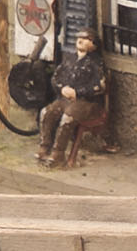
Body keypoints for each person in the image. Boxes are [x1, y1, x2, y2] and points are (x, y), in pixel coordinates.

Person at [36, 27, 108, 167]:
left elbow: (100, 86)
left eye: (86, 39)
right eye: (79, 38)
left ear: (93, 45)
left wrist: (78, 92)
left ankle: (58, 153)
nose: (80, 40)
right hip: (65, 99)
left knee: (68, 117)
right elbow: (55, 78)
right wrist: (62, 88)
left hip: (87, 103)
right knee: (46, 112)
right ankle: (44, 148)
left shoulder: (96, 63)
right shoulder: (69, 59)